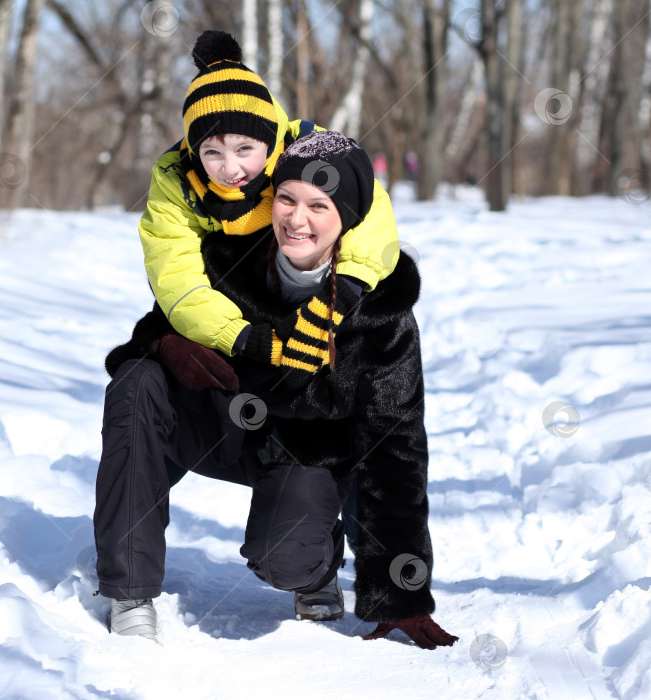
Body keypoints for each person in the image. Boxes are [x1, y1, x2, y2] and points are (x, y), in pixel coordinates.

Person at [94, 130, 458, 651]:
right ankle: (128, 589)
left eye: (319, 205)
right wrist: (159, 345)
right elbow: (153, 330)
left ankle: (316, 566)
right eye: (286, 199)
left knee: (286, 558)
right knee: (137, 383)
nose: (296, 219)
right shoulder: (230, 258)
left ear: (348, 218)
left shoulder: (380, 312)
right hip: (224, 428)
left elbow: (395, 445)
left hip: (304, 453)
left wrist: (403, 594)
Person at [130, 30, 400, 389]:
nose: (230, 169)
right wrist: (239, 336)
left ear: (269, 138)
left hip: (301, 271)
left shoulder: (305, 146)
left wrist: (349, 283)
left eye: (244, 150)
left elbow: (369, 205)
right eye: (212, 152)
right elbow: (174, 273)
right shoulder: (176, 180)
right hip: (234, 292)